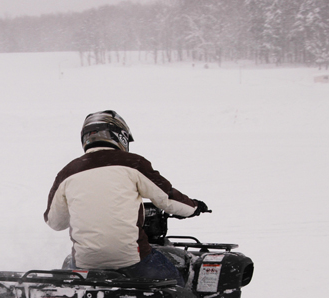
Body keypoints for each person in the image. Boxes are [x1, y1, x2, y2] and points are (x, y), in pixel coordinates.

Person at [44, 110, 209, 286]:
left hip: (85, 262)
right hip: (131, 258)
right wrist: (194, 207)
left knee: (70, 287)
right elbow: (167, 199)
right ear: (119, 136)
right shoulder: (132, 163)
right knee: (176, 284)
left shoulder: (67, 172)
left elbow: (55, 222)